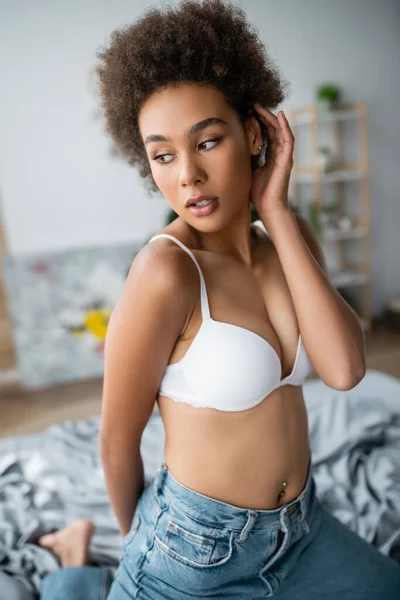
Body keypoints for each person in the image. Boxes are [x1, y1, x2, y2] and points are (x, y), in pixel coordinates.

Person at [39, 0, 400, 598]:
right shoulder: (164, 272)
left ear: (253, 133)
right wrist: (143, 543)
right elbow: (115, 438)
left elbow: (345, 369)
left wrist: (277, 209)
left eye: (207, 141)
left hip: (301, 529)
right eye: (163, 155)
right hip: (194, 551)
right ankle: (73, 565)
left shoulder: (289, 236)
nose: (187, 176)